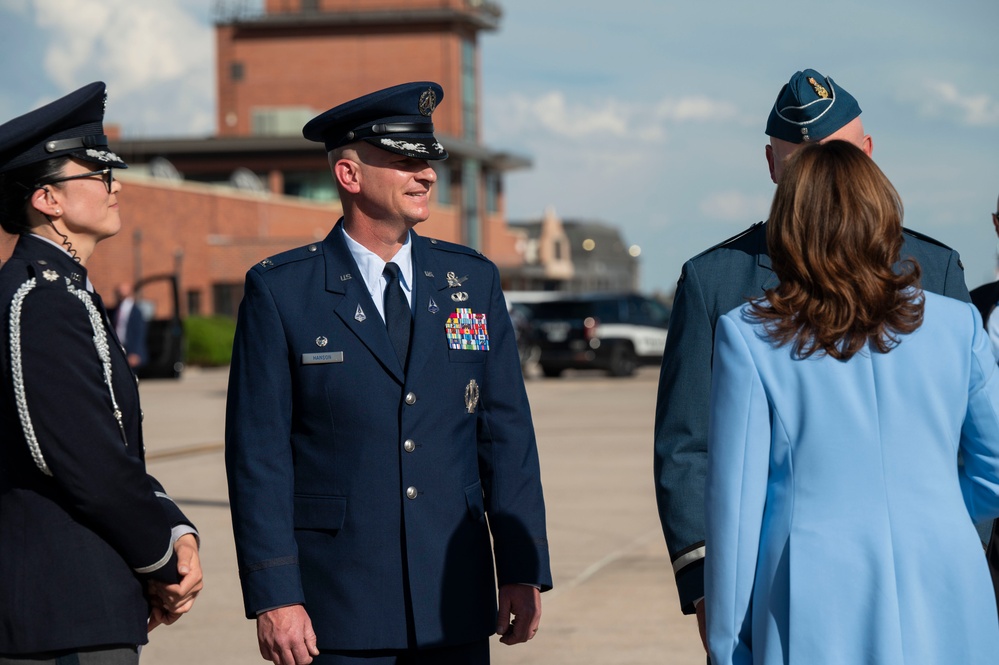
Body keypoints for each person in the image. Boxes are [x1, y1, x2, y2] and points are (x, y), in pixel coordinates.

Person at [225, 81, 552, 665]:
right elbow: (259, 456)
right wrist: (275, 595)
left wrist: (522, 569)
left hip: (454, 601)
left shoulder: (471, 281)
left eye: (427, 161)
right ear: (349, 176)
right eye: (404, 161)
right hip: (336, 610)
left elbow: (504, 436)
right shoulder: (282, 292)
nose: (425, 174)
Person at [653, 68, 971, 651]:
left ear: (869, 157)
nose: (825, 179)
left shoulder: (934, 269)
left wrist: (955, 545)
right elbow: (688, 444)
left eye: (839, 157)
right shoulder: (716, 281)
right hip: (783, 586)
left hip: (931, 582)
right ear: (773, 167)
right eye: (802, 164)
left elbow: (965, 440)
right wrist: (705, 583)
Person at [704, 139, 999, 664]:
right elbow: (995, 470)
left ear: (790, 225)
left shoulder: (747, 336)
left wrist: (728, 648)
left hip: (811, 594)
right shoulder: (960, 324)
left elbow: (736, 516)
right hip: (949, 583)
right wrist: (943, 514)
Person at [0, 82, 202, 662]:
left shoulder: (67, 293)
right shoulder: (38, 301)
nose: (114, 186)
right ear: (48, 199)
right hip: (61, 612)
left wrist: (176, 526)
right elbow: (84, 460)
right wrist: (163, 557)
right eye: (96, 175)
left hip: (86, 607)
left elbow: (112, 445)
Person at [110, 281, 148, 369]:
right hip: (118, 346)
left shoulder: (136, 312)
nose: (119, 293)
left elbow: (139, 333)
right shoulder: (116, 310)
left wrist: (135, 352)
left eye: (122, 291)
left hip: (130, 348)